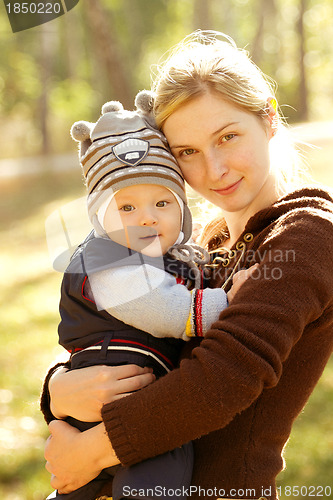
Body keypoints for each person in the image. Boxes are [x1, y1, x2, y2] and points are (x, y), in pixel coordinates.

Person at [43, 31, 333, 500]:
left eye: (228, 137)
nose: (214, 169)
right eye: (188, 152)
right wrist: (59, 390)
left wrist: (91, 451)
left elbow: (223, 379)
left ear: (270, 118)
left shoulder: (309, 235)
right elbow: (126, 333)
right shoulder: (201, 241)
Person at [43, 96, 254, 500]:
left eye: (162, 202)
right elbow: (165, 311)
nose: (147, 217)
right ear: (98, 217)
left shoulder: (178, 255)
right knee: (158, 470)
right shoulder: (107, 260)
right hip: (109, 405)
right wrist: (226, 300)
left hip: (138, 407)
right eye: (127, 207)